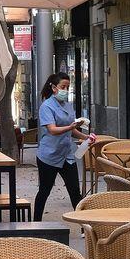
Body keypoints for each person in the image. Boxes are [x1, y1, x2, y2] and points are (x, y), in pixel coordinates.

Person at [33, 73, 94, 219]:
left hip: (67, 155)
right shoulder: (46, 106)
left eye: (67, 87)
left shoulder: (68, 105)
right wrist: (70, 127)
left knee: (74, 191)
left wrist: (85, 137)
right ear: (54, 88)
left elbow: (72, 129)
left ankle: (83, 227)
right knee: (44, 190)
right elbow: (52, 130)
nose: (65, 90)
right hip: (49, 155)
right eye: (63, 87)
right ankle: (35, 222)